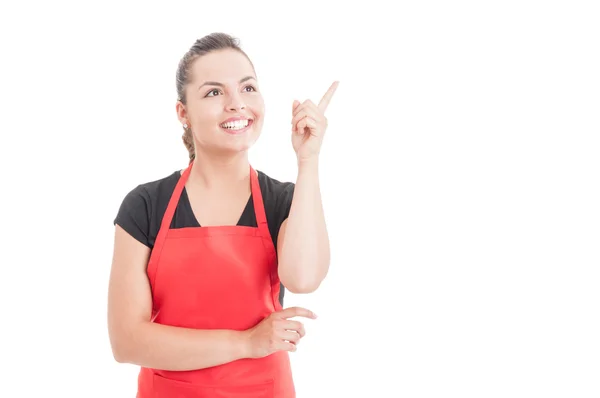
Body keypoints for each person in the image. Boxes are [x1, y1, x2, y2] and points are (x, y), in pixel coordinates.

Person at [107, 32, 338, 398]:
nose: (236, 104)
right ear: (183, 113)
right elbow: (127, 341)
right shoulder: (146, 205)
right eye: (214, 93)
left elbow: (305, 277)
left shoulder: (282, 201)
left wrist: (308, 160)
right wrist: (246, 343)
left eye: (247, 88)